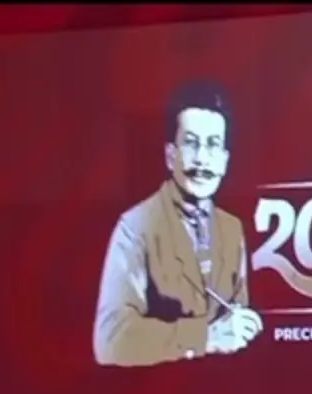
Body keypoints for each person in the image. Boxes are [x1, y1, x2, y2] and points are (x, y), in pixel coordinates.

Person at [92, 80, 263, 367]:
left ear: (224, 161)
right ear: (170, 156)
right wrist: (206, 337)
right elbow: (111, 341)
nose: (202, 160)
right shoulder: (136, 227)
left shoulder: (232, 229)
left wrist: (245, 328)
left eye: (213, 145)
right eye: (191, 144)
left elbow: (235, 326)